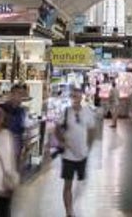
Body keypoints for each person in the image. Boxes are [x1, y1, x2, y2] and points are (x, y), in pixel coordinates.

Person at [56, 86, 97, 217]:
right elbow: (57, 129)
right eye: (73, 96)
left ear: (81, 97)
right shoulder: (66, 112)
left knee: (82, 183)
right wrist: (62, 141)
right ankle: (69, 211)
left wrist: (88, 147)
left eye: (78, 96)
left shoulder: (87, 112)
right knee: (67, 183)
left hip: (82, 154)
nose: (75, 99)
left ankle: (74, 204)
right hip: (68, 155)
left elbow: (92, 131)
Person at [0, 83, 29, 162]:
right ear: (12, 94)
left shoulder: (22, 111)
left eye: (22, 95)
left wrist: (25, 145)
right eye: (19, 94)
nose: (21, 97)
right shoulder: (1, 109)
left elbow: (23, 127)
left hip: (17, 145)